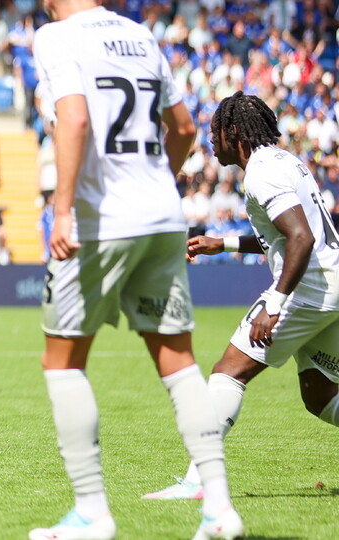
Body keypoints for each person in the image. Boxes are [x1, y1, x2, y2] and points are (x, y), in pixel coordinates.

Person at [30, 2, 243, 540]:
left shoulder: (57, 36)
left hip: (101, 222)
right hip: (161, 214)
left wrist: (60, 208)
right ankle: (219, 509)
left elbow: (74, 119)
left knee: (63, 361)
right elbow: (185, 128)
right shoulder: (140, 36)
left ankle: (91, 512)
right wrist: (152, 183)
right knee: (178, 361)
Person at [145, 92, 339, 501]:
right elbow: (284, 236)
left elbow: (300, 238)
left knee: (228, 371)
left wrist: (275, 304)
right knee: (319, 393)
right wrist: (226, 242)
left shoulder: (262, 173)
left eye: (216, 131)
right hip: (330, 285)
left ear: (234, 132)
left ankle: (199, 482)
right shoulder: (285, 162)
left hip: (310, 288)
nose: (211, 142)